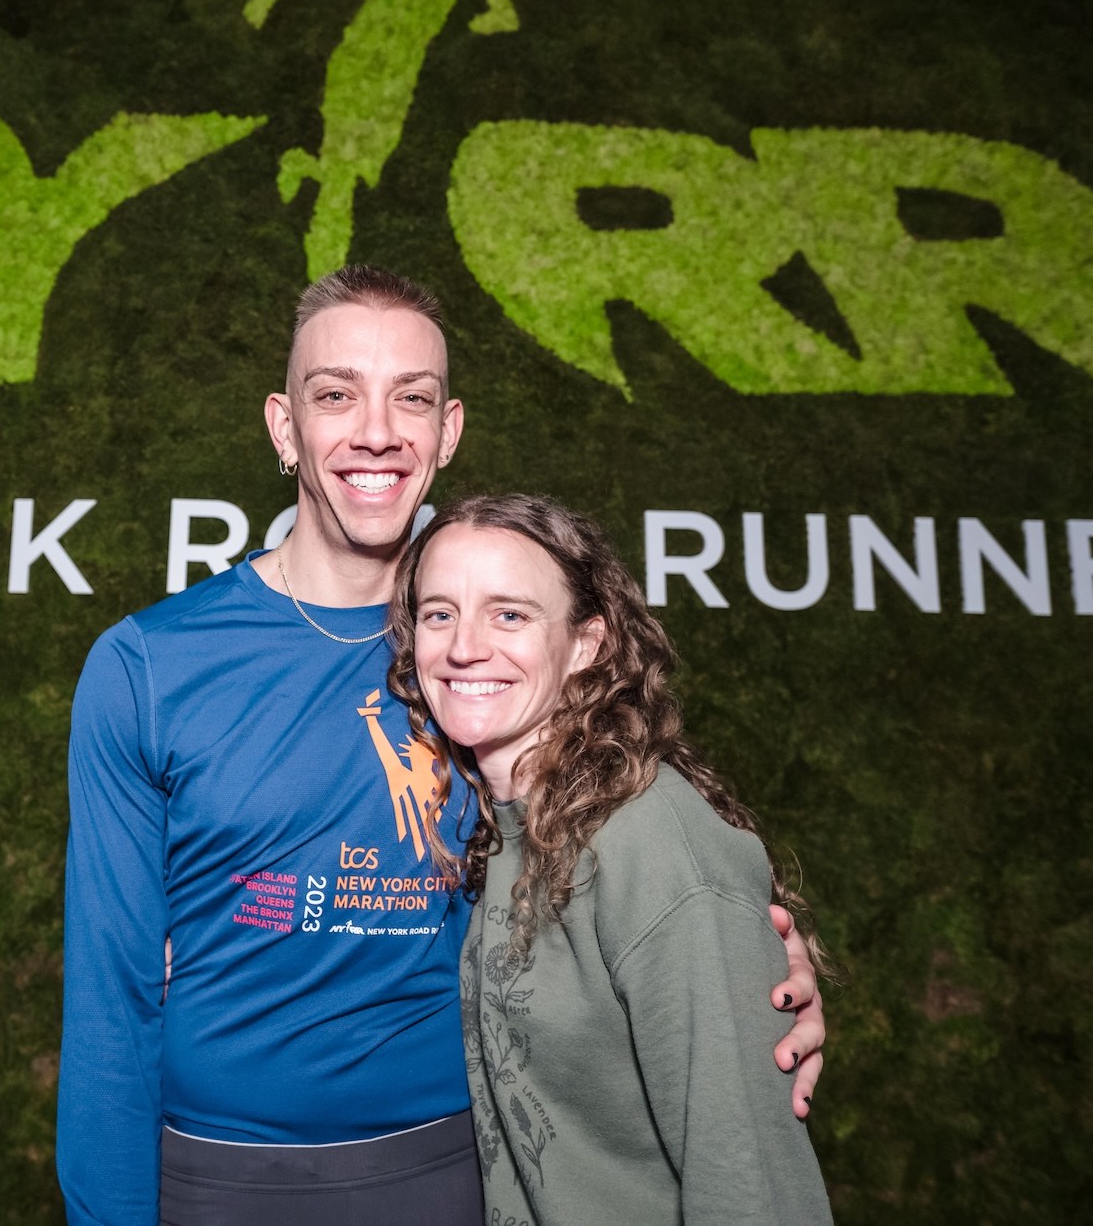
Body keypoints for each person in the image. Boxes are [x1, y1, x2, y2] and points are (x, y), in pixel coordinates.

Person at [57, 267, 825, 1225]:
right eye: (335, 394)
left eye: (410, 398)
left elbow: (638, 835)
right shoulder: (150, 666)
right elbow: (109, 1001)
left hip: (464, 1171)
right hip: (217, 1177)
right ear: (283, 427)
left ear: (448, 430)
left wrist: (745, 981)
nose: (375, 430)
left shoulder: (491, 664)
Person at [389, 493, 833, 1223]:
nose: (464, 645)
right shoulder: (488, 824)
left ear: (588, 643)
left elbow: (751, 1181)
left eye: (509, 614)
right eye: (440, 612)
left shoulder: (651, 840)